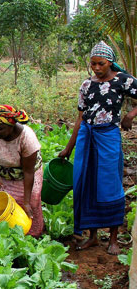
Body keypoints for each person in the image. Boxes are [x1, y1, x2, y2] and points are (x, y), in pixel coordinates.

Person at [59, 41, 136, 255]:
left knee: (110, 185)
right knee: (86, 183)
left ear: (110, 62)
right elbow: (81, 117)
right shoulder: (86, 85)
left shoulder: (123, 80)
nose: (96, 68)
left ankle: (113, 238)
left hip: (108, 136)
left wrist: (130, 115)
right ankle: (92, 236)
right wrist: (69, 148)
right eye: (93, 64)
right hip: (87, 136)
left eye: (100, 64)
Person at [0, 104, 44, 237]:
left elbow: (28, 172)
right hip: (1, 175)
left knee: (30, 205)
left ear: (11, 126)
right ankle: (5, 237)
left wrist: (26, 201)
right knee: (3, 207)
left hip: (25, 175)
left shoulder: (27, 138)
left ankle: (33, 236)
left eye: (0, 128)